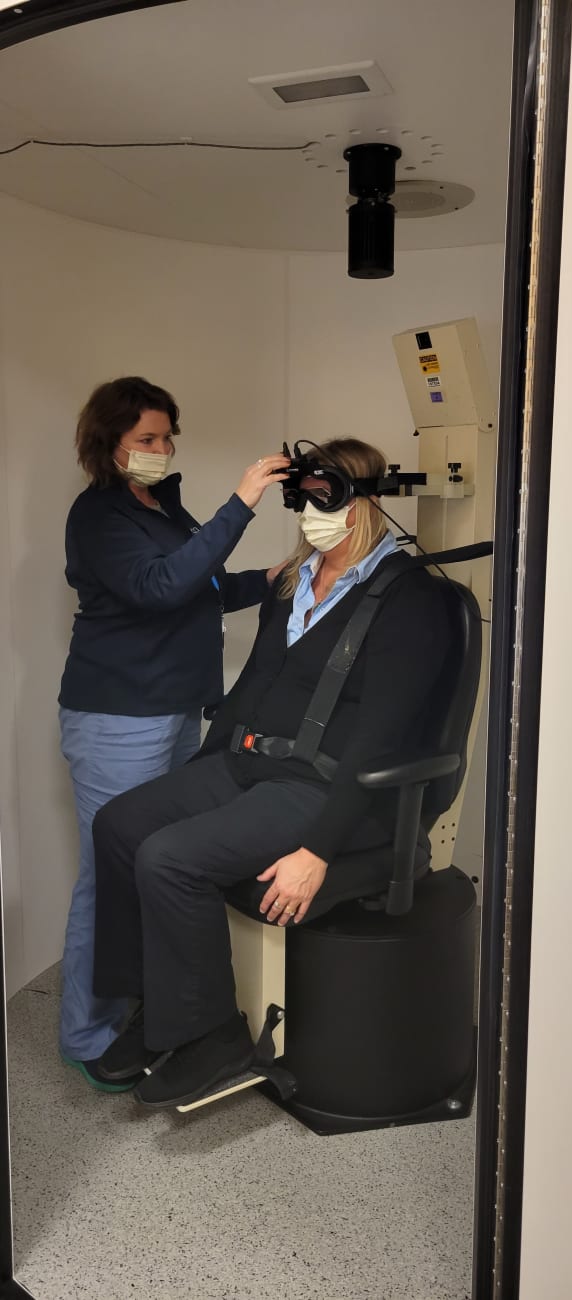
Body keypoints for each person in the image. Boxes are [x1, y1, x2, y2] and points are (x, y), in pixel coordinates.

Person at [89, 437, 455, 1109]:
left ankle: (211, 1036)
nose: (311, 514)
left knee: (170, 858)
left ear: (364, 502)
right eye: (301, 499)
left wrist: (318, 850)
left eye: (324, 499)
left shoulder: (411, 600)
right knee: (121, 824)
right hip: (250, 761)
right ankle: (156, 1010)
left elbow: (381, 737)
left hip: (323, 784)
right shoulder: (292, 583)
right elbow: (251, 688)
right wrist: (198, 778)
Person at [58, 375, 289, 1090]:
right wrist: (241, 503)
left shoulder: (161, 506)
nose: (161, 449)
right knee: (111, 873)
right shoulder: (98, 516)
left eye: (166, 437)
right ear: (109, 443)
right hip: (118, 719)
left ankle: (151, 1017)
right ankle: (87, 1035)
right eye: (146, 439)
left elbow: (201, 587)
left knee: (158, 864)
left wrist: (273, 578)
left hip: (180, 710)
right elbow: (157, 588)